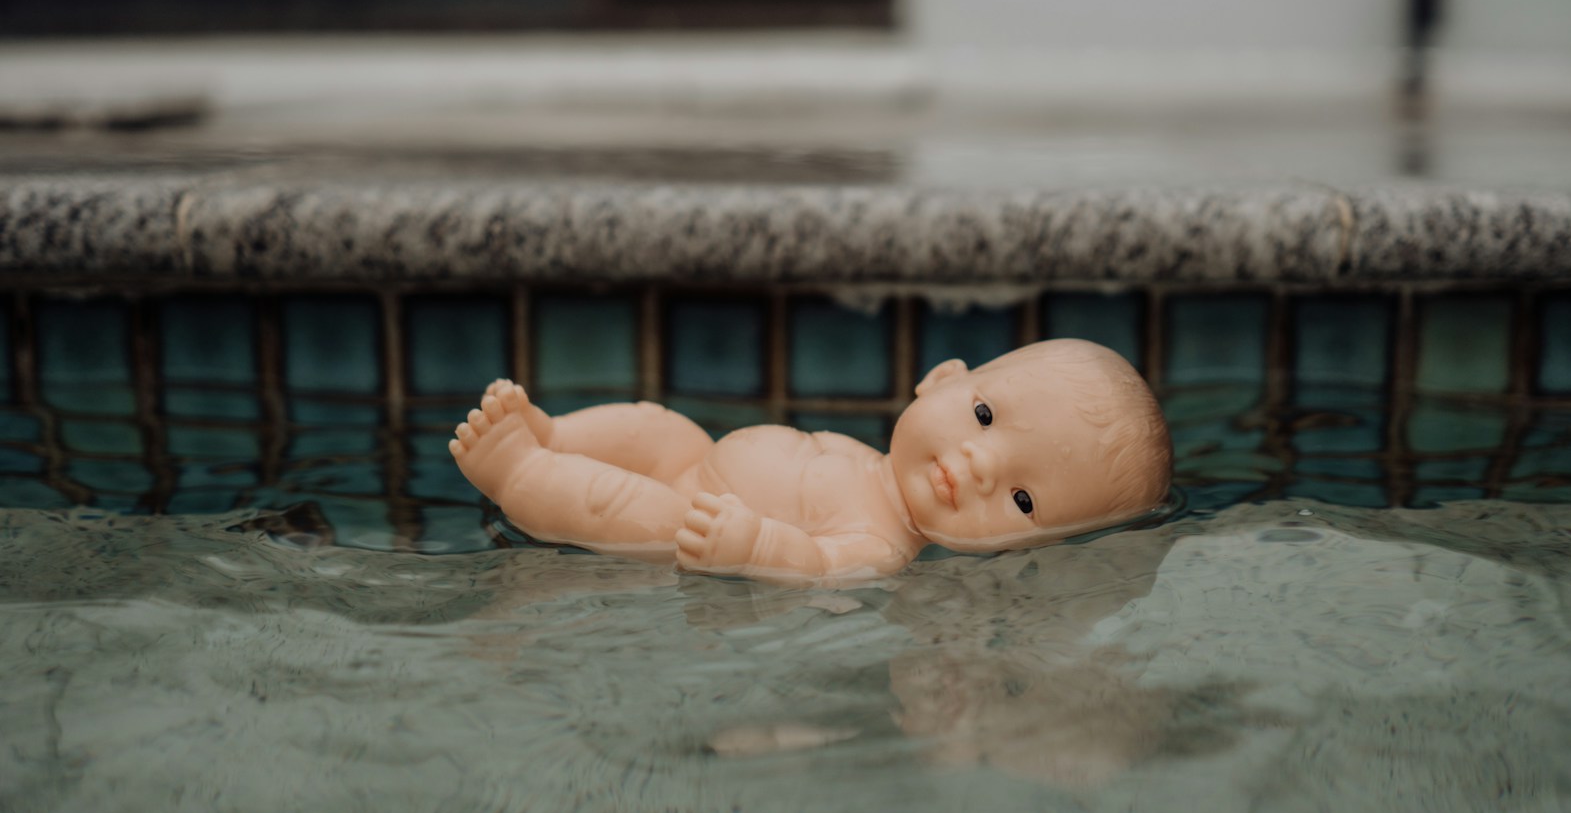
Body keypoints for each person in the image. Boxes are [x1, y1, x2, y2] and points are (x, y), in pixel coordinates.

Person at [450, 338, 1172, 584]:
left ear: (1029, 545)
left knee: (637, 511)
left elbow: (820, 568)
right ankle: (555, 434)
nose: (981, 467)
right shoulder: (870, 461)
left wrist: (754, 543)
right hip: (703, 464)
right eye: (984, 416)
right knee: (661, 429)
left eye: (1022, 501)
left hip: (697, 522)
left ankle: (518, 472)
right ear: (943, 377)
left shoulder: (884, 547)